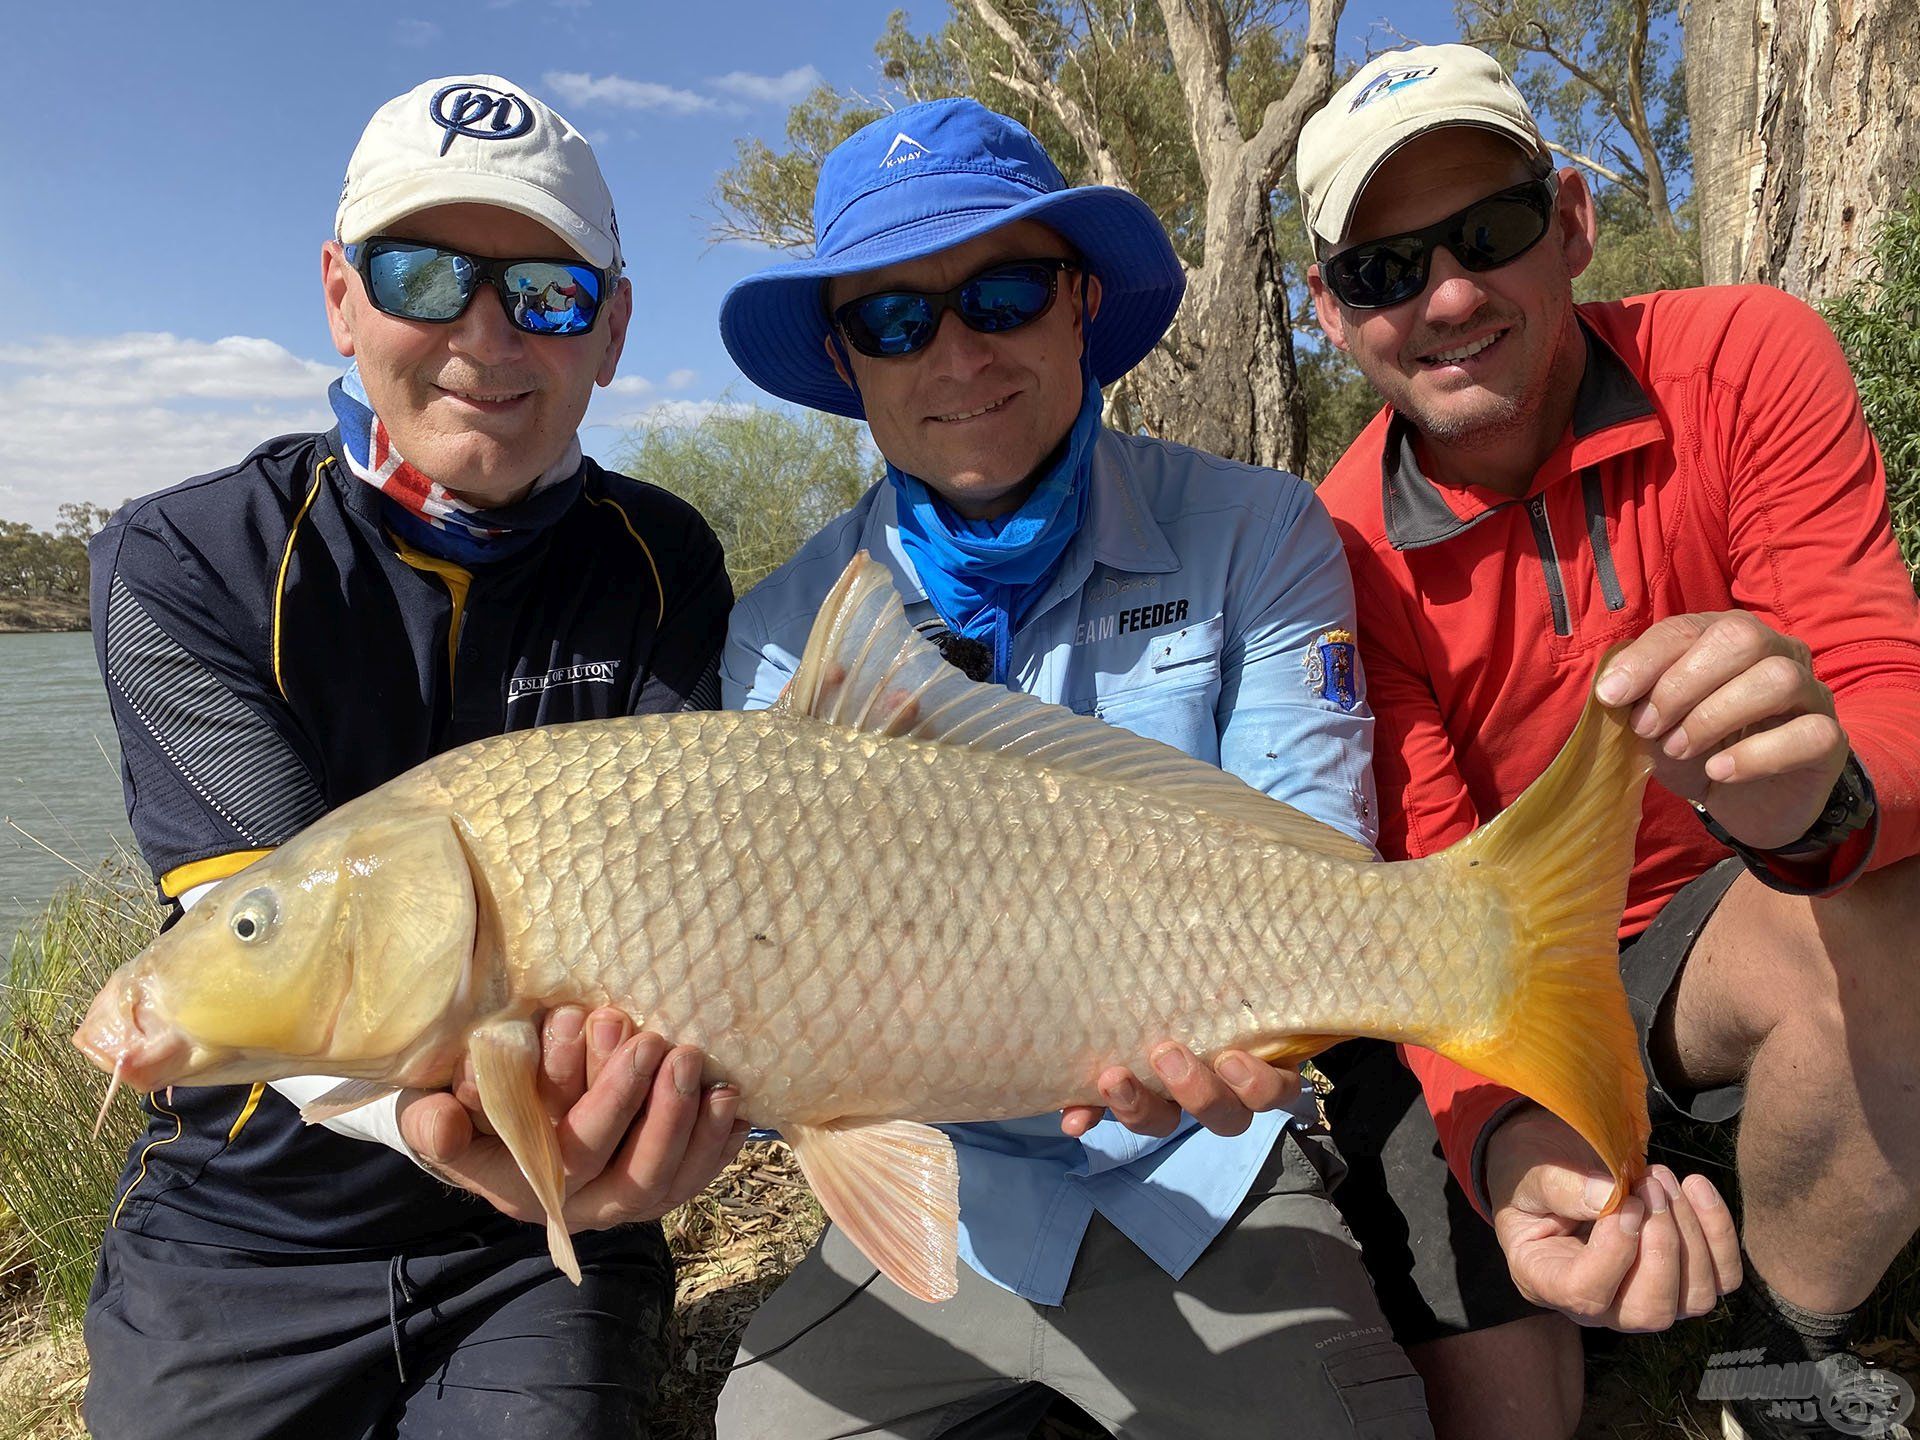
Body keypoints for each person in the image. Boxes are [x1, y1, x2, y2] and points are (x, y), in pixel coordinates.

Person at [711, 96, 1432, 1439]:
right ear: (845, 359)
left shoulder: (1252, 527)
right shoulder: (784, 628)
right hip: (940, 1197)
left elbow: (1311, 854)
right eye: (894, 319)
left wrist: (1271, 1031)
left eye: (1004, 293)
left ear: (1082, 304)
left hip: (1206, 1162)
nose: (958, 353)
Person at [85, 74, 742, 1438]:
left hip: (543, 1242)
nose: (483, 333)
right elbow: (272, 938)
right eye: (422, 274)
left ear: (611, 331)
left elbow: (694, 932)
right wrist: (460, 1137)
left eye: (547, 292)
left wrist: (572, 1166)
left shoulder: (663, 559)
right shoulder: (186, 557)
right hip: (243, 1232)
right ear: (340, 294)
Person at [1300, 44, 1920, 1440]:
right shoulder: (1332, 544)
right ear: (1336, 315)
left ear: (1570, 221)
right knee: (1516, 1406)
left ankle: (1785, 1352)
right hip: (1492, 969)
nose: (1449, 294)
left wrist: (1820, 799)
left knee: (1889, 912)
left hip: (1728, 913)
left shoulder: (1747, 354)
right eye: (1386, 270)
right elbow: (1427, 896)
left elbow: (1888, 677)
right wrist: (1506, 1136)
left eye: (1492, 231)